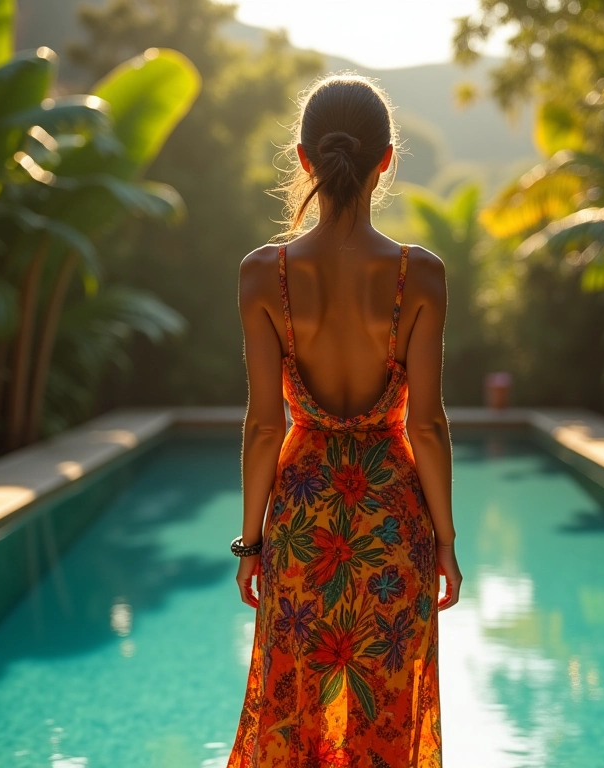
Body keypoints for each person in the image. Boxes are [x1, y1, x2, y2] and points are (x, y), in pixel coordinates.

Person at [227, 72, 461, 767]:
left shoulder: (261, 274)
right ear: (387, 160)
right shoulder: (419, 275)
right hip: (395, 524)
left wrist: (251, 541)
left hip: (301, 526)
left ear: (303, 158)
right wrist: (445, 542)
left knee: (294, 708)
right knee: (384, 718)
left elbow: (265, 425)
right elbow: (427, 426)